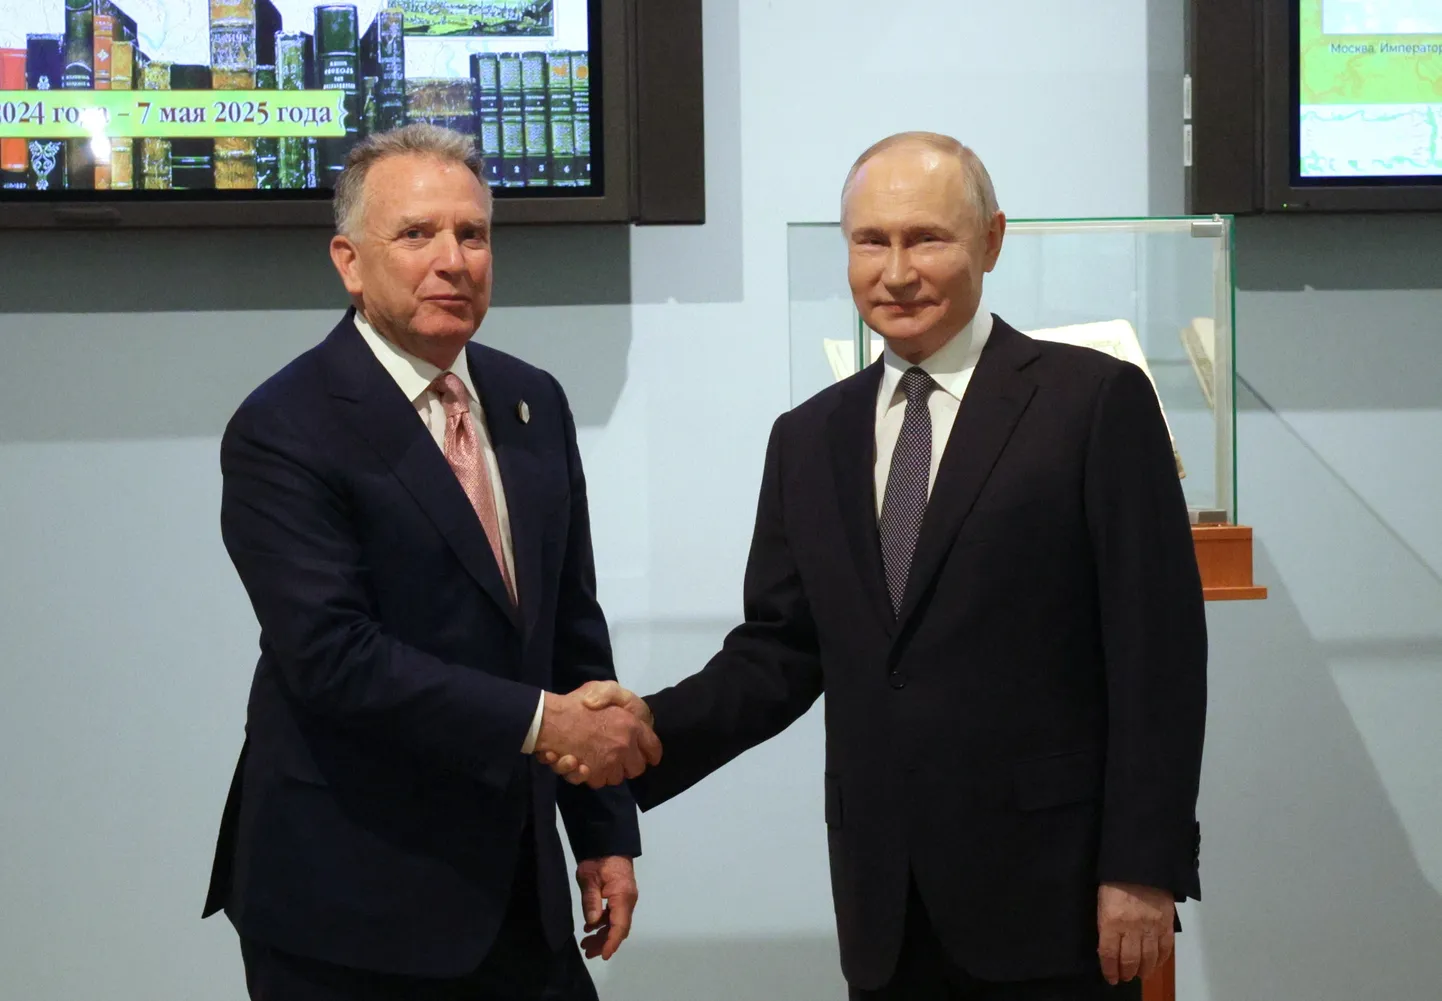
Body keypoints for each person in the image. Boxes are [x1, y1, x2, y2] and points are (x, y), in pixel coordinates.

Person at [552, 132, 1207, 1000]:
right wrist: (648, 728)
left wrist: (1143, 863)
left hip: (1058, 899)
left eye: (926, 238)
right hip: (885, 908)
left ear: (991, 241)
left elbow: (1158, 655)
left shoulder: (1093, 403)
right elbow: (780, 652)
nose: (896, 272)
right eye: (871, 241)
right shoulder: (808, 437)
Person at [202, 123, 661, 1001]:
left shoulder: (533, 400)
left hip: (519, 894)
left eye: (472, 234)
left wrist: (603, 828)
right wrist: (545, 724)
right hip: (351, 906)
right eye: (416, 233)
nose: (452, 260)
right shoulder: (284, 425)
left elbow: (569, 629)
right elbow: (334, 656)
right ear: (349, 261)